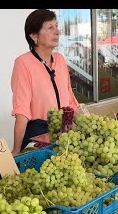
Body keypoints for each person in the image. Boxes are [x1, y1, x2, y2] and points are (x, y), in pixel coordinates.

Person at [10, 9, 79, 155]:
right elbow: (21, 110)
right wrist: (16, 150)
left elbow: (70, 99)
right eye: (50, 27)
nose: (57, 31)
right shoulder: (23, 63)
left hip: (65, 131)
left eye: (56, 26)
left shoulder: (59, 59)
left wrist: (88, 126)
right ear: (34, 36)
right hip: (38, 133)